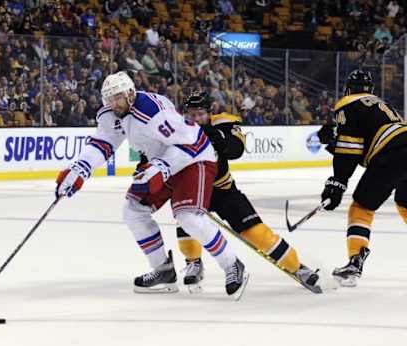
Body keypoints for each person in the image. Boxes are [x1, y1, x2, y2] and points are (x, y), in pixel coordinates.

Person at [55, 72, 248, 298]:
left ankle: (232, 265)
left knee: (188, 217)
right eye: (108, 98)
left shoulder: (152, 111)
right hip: (160, 161)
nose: (112, 103)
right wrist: (79, 169)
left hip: (194, 157)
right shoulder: (111, 113)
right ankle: (163, 270)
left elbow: (192, 141)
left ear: (130, 93)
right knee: (133, 210)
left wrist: (163, 167)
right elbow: (102, 143)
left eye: (117, 97)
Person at [174, 91, 323, 293]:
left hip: (224, 190)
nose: (195, 119)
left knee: (257, 232)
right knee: (186, 220)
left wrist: (219, 139)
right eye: (191, 114)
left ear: (210, 112)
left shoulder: (223, 124)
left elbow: (237, 150)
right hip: (195, 189)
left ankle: (297, 267)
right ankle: (193, 262)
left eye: (199, 114)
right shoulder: (177, 130)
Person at [320, 69, 407, 287]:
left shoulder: (347, 104)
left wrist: (338, 182)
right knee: (405, 204)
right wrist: (333, 144)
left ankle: (354, 262)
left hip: (392, 155)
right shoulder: (380, 104)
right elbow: (359, 147)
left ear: (348, 88)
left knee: (361, 208)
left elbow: (350, 149)